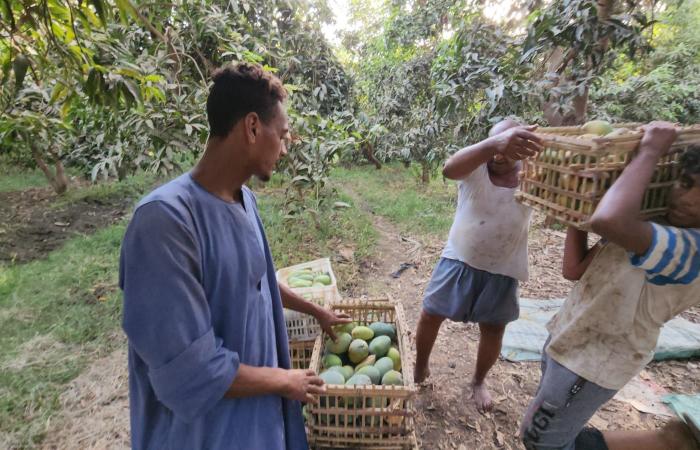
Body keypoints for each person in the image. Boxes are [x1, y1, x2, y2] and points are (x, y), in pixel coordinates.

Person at [119, 62, 351, 449]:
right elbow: (189, 369)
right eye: (283, 134)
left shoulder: (247, 201)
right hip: (202, 434)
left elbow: (257, 282)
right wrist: (284, 379)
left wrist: (316, 310)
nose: (286, 145)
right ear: (253, 128)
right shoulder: (164, 223)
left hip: (255, 422)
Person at [520, 122, 700, 450]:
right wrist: (580, 207)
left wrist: (648, 151)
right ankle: (667, 442)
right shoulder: (649, 220)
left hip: (595, 358)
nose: (688, 200)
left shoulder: (691, 250)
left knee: (539, 441)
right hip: (570, 334)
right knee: (552, 434)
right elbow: (574, 269)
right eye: (685, 183)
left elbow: (609, 221)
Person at [413, 119, 543, 412]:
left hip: (504, 265)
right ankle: (420, 368)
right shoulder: (475, 167)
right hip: (459, 257)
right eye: (496, 145)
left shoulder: (533, 177)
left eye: (509, 148)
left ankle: (478, 380)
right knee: (431, 314)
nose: (499, 155)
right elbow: (448, 170)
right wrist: (495, 144)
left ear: (522, 151)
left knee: (494, 329)